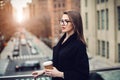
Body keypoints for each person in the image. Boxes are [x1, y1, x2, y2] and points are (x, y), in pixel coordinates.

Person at [32, 10, 89, 80]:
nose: (62, 23)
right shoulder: (63, 39)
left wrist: (60, 74)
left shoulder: (79, 45)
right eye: (61, 21)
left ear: (75, 23)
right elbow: (59, 61)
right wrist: (44, 71)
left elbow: (83, 75)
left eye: (66, 21)